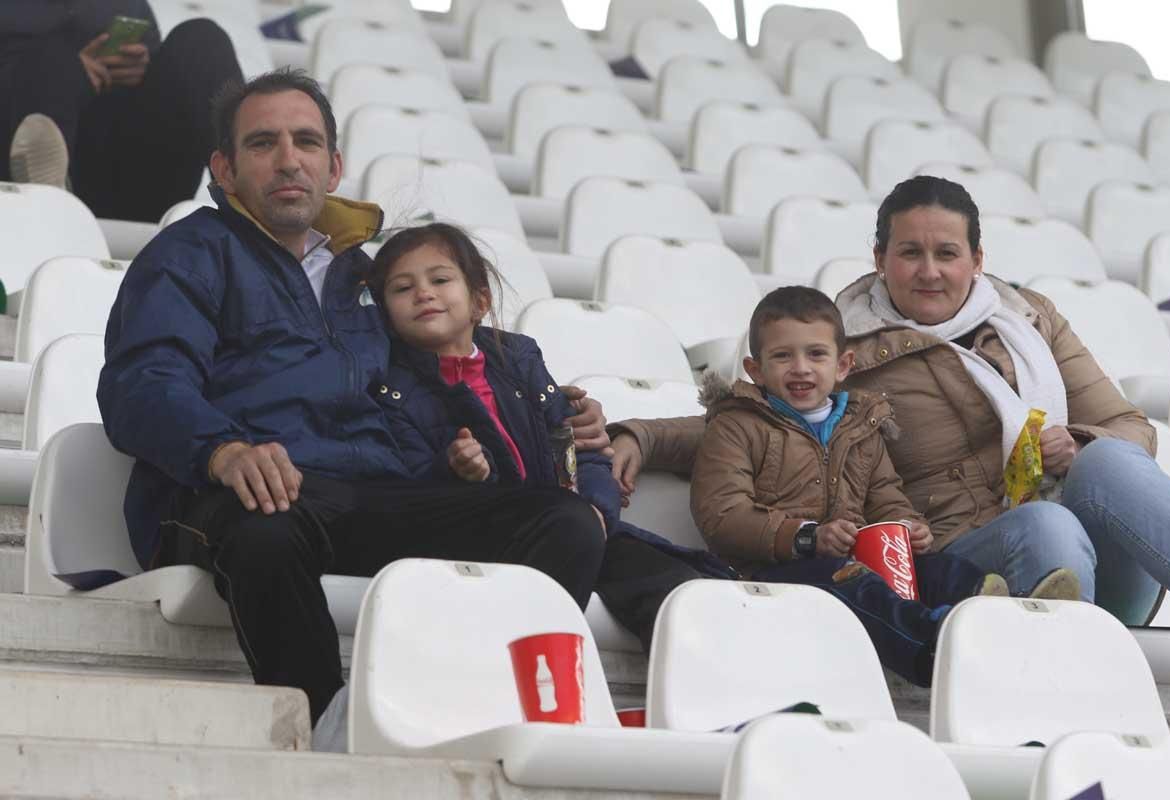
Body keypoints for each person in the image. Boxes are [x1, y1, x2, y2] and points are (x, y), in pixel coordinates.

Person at [98, 69, 610, 731]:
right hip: (245, 492)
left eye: (306, 142)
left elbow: (461, 356)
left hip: (378, 491)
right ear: (223, 169)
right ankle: (326, 733)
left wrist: (570, 414)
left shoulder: (372, 273)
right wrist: (223, 450)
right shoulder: (190, 255)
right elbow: (143, 383)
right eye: (263, 144)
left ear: (333, 165)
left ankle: (453, 712)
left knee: (559, 523)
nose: (289, 159)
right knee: (266, 534)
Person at [611, 175, 1170, 626]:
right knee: (1044, 525)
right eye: (909, 253)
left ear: (976, 261)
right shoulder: (839, 347)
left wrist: (1079, 443)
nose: (929, 271)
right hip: (960, 559)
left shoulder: (1030, 317)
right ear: (879, 259)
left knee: (1111, 458)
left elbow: (1130, 426)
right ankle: (1059, 695)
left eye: (947, 254)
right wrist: (642, 433)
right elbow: (754, 426)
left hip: (1100, 555)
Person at [690, 285, 1077, 685]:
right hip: (773, 576)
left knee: (941, 570)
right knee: (851, 582)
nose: (801, 368)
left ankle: (1009, 619)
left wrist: (907, 526)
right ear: (755, 370)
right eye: (783, 356)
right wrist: (805, 537)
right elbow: (722, 515)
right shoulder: (736, 426)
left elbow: (885, 495)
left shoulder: (860, 425)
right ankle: (939, 644)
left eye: (816, 354)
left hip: (856, 558)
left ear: (843, 365)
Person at [365, 222, 716, 651]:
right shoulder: (391, 388)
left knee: (680, 591)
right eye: (403, 289)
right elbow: (409, 488)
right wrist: (457, 471)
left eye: (440, 280)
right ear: (384, 314)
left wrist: (599, 511)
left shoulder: (518, 359)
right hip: (494, 541)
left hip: (576, 528)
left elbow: (582, 449)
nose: (423, 293)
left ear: (480, 300)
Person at [0, 1, 241, 221]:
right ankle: (50, 205)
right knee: (51, 60)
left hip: (129, 175)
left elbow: (172, 83)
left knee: (202, 40)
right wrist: (73, 71)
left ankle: (248, 207)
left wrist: (141, 66)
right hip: (23, 168)